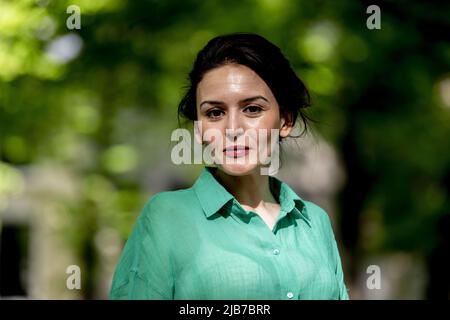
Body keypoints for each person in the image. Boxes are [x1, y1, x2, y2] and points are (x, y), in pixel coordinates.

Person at [109, 32, 350, 300]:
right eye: (215, 113)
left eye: (252, 109)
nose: (233, 129)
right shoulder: (165, 217)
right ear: (200, 129)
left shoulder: (315, 223)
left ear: (285, 120)